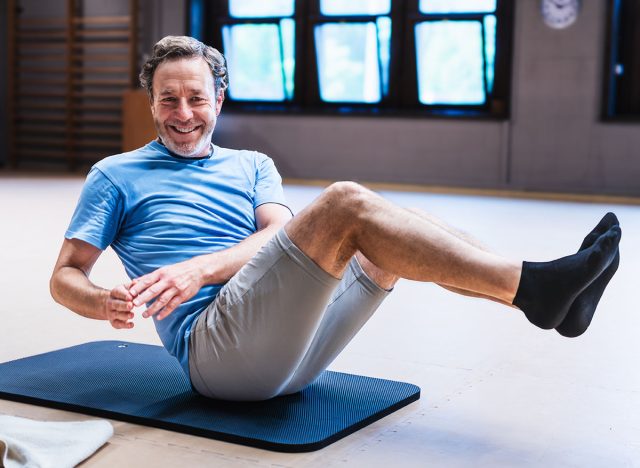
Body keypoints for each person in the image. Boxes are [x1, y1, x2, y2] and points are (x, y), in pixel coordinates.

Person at [50, 36, 622, 401]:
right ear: (150, 102)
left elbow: (277, 237)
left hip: (294, 348)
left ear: (218, 101)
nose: (182, 114)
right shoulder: (115, 175)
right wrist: (101, 301)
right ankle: (539, 289)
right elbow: (64, 275)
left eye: (195, 99)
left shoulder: (252, 164)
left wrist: (199, 269)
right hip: (220, 358)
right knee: (345, 203)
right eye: (167, 99)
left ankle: (553, 302)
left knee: (397, 228)